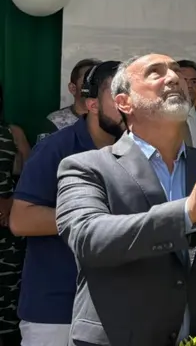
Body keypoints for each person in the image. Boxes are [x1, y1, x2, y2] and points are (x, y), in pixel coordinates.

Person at [55, 54, 196, 345]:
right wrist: (187, 211)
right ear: (124, 102)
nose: (174, 78)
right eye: (155, 72)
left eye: (176, 72)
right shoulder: (85, 167)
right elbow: (89, 239)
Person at [10, 61, 124, 346]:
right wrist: (94, 219)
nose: (127, 102)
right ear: (91, 104)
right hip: (57, 312)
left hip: (118, 309)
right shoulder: (55, 148)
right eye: (117, 93)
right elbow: (21, 220)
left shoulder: (138, 152)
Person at [0, 82, 30, 346]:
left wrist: (11, 200)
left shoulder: (12, 132)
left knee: (9, 293)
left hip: (7, 223)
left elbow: (30, 173)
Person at [43, 59, 100, 137]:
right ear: (73, 88)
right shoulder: (55, 120)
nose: (95, 86)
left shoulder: (112, 118)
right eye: (89, 81)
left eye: (99, 81)